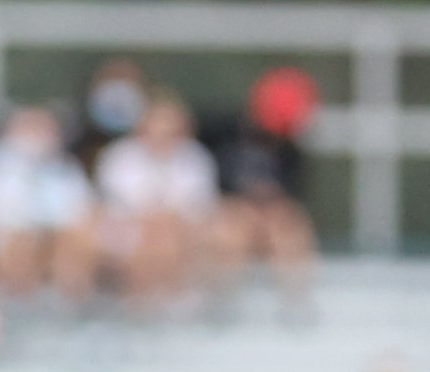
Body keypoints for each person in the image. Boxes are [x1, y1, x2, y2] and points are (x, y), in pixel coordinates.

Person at [94, 93, 214, 312]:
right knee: (148, 237)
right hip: (126, 230)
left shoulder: (195, 158)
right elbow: (116, 206)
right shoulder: (119, 156)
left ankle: (172, 301)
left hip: (178, 232)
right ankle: (140, 305)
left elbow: (197, 209)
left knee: (170, 236)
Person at [214, 67, 318, 315]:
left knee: (287, 228)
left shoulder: (290, 151)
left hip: (267, 222)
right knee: (232, 228)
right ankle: (223, 303)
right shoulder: (223, 132)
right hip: (229, 217)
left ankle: (295, 303)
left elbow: (288, 198)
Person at [0, 103, 95, 313]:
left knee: (74, 243)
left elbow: (79, 211)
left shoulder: (65, 167)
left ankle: (71, 311)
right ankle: (22, 310)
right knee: (21, 243)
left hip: (54, 235)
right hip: (7, 235)